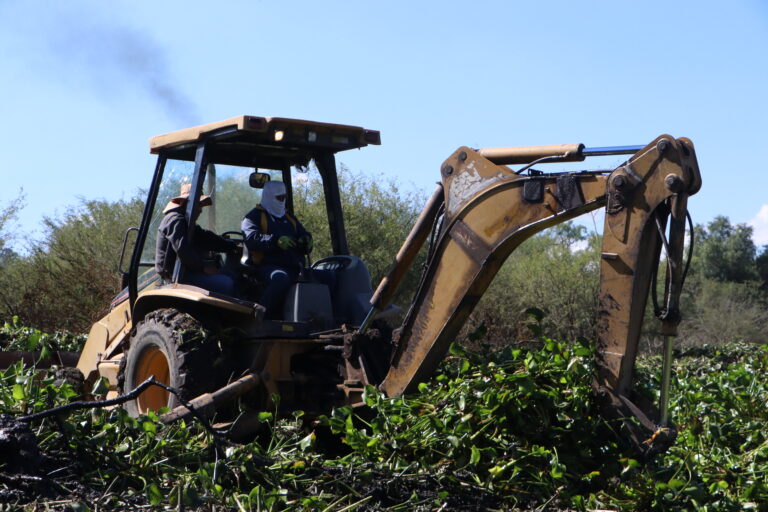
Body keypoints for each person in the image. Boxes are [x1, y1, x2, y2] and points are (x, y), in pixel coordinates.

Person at [242, 181, 334, 316]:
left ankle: (326, 318)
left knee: (329, 277)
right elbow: (251, 239)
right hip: (267, 267)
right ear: (269, 196)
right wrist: (275, 241)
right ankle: (260, 317)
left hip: (295, 268)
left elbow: (303, 233)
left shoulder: (289, 217)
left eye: (284, 197)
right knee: (280, 279)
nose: (282, 201)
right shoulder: (253, 217)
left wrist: (306, 240)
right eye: (279, 198)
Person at [155, 183, 240, 296]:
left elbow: (205, 237)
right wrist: (203, 268)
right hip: (176, 276)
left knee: (233, 275)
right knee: (227, 283)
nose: (200, 210)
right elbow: (183, 249)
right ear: (187, 203)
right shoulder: (175, 220)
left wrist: (231, 246)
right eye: (199, 204)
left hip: (186, 271)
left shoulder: (186, 223)